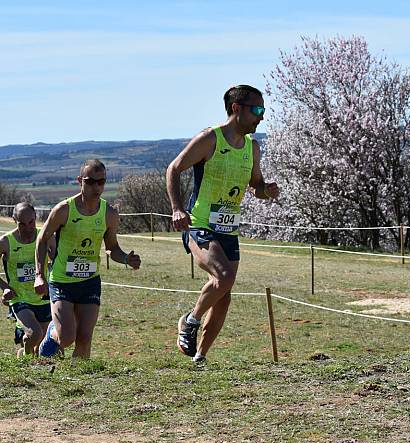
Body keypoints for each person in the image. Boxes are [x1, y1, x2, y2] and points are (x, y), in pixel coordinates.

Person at [166, 84, 279, 363]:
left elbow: (256, 185)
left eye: (263, 110)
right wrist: (177, 209)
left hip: (229, 229)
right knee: (224, 278)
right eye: (257, 110)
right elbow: (174, 168)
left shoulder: (252, 147)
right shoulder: (210, 139)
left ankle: (200, 356)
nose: (261, 117)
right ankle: (190, 322)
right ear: (236, 108)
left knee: (224, 296)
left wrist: (267, 190)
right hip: (199, 223)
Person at [34, 159, 141, 359]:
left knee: (84, 338)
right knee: (67, 338)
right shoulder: (64, 210)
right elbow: (42, 238)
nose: (96, 187)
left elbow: (112, 248)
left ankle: (79, 383)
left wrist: (127, 258)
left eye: (101, 182)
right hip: (62, 281)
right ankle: (52, 332)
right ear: (79, 181)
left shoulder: (109, 213)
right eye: (90, 181)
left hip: (89, 282)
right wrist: (39, 275)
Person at [0, 203, 56, 357]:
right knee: (34, 333)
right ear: (14, 220)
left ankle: (26, 352)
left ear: (35, 217)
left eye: (31, 222)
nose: (28, 227)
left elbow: (58, 262)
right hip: (20, 297)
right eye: (22, 224)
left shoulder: (45, 237)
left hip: (43, 297)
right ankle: (26, 357)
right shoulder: (5, 242)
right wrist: (4, 287)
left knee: (45, 346)